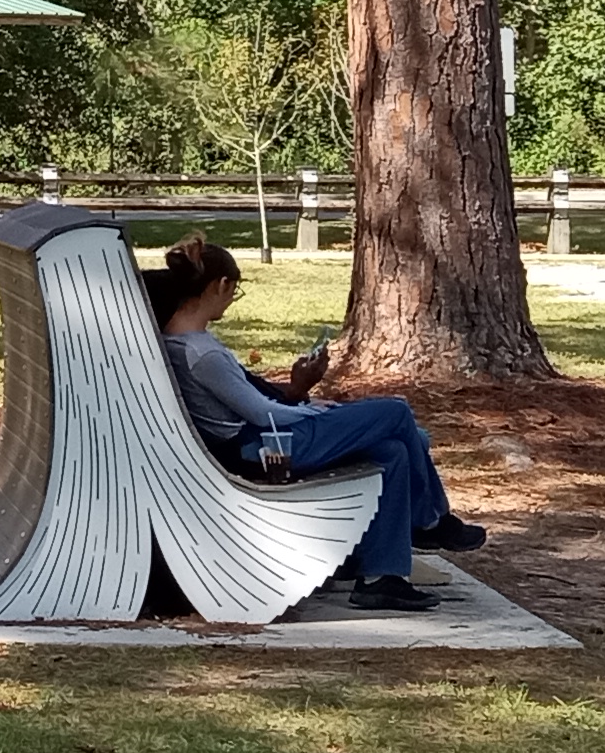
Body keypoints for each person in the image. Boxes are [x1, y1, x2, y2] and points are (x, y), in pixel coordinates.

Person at [140, 235, 483, 612]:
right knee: (395, 412)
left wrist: (303, 397)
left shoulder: (184, 343)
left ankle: (380, 579)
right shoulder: (199, 352)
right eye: (234, 291)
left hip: (260, 439)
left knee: (393, 450)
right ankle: (432, 522)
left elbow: (252, 403)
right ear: (221, 285)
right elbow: (263, 415)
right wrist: (320, 413)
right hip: (262, 447)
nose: (231, 300)